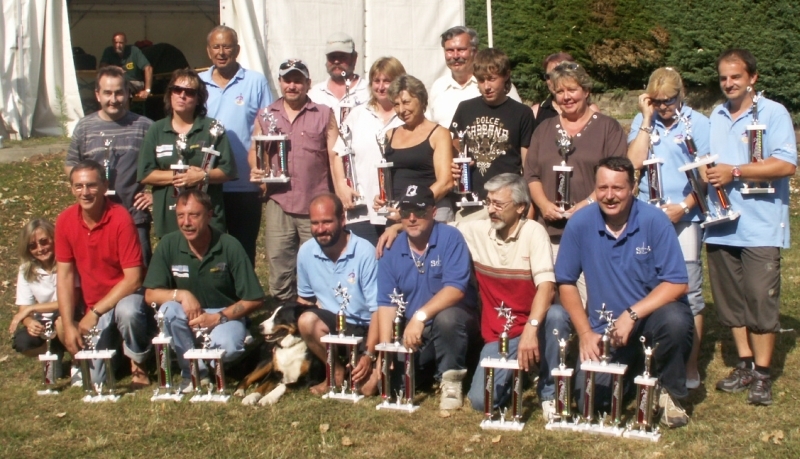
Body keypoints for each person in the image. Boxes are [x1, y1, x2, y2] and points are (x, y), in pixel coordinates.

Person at [555, 156, 693, 428]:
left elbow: (677, 283)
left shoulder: (655, 221)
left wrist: (631, 315)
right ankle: (637, 373)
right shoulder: (580, 223)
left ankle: (671, 393)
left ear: (633, 187)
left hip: (651, 320)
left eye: (617, 188)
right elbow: (566, 282)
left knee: (676, 321)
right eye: (602, 188)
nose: (609, 196)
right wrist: (585, 333)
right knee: (591, 401)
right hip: (605, 329)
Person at [704, 49, 797, 406]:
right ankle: (744, 364)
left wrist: (735, 171)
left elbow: (786, 164)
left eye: (736, 77)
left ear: (752, 78)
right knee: (731, 304)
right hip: (722, 224)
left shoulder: (773, 113)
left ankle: (762, 373)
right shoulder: (715, 115)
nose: (729, 83)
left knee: (760, 298)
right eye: (723, 78)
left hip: (760, 225)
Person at [454, 174, 567, 420]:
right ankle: (521, 372)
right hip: (500, 334)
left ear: (520, 207)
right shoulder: (476, 230)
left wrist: (531, 329)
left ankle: (549, 393)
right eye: (489, 202)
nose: (490, 210)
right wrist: (398, 226)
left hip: (534, 327)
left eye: (498, 204)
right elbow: (437, 230)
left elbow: (547, 288)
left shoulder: (534, 233)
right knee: (480, 401)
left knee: (557, 316)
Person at [627, 67, 711, 390]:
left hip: (685, 216)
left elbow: (706, 174)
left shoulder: (697, 123)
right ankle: (648, 359)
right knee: (647, 286)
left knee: (690, 290)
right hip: (648, 216)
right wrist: (646, 118)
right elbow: (634, 163)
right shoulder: (644, 121)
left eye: (669, 100)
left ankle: (690, 365)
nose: (664, 107)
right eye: (657, 101)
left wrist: (685, 207)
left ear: (681, 94)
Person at [524, 61, 626, 305]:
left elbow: (616, 174)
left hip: (593, 227)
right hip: (550, 231)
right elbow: (531, 174)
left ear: (586, 90)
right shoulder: (544, 129)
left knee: (592, 300)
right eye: (560, 92)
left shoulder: (607, 128)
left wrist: (587, 204)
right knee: (553, 304)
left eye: (572, 90)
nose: (566, 97)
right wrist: (543, 204)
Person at [143, 189, 265, 392]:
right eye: (180, 216)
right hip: (186, 317)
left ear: (209, 215)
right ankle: (194, 373)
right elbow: (150, 294)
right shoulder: (168, 244)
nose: (186, 222)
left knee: (228, 347)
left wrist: (217, 318)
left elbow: (255, 299)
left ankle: (214, 362)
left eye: (194, 215)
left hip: (224, 316)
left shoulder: (229, 245)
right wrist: (181, 295)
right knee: (168, 311)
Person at [377, 185, 480, 410]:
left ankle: (451, 380)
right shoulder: (391, 247)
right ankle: (431, 369)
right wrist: (385, 350)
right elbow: (387, 302)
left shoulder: (450, 237)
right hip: (416, 333)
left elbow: (455, 289)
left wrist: (419, 317)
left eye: (420, 211)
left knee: (448, 319)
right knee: (393, 385)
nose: (412, 218)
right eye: (406, 212)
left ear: (433, 212)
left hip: (456, 323)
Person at [248, 59, 340, 303]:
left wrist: (340, 192)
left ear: (308, 83)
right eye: (287, 80)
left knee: (318, 263)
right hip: (279, 202)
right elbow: (255, 150)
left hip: (315, 204)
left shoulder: (324, 114)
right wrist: (257, 169)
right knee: (279, 263)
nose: (292, 86)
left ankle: (317, 315)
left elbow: (335, 156)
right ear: (279, 82)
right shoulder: (266, 115)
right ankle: (283, 315)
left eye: (298, 81)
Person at [56, 160, 152, 388]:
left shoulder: (120, 218)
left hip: (124, 298)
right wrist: (68, 325)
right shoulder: (65, 221)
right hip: (93, 305)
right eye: (79, 186)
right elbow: (64, 278)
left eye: (91, 185)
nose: (85, 192)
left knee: (128, 311)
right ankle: (115, 357)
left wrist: (95, 312)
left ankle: (139, 365)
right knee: (96, 381)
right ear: (71, 189)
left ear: (104, 186)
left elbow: (133, 279)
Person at [66, 66, 154, 265]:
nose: (113, 99)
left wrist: (154, 195)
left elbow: (167, 165)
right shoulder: (85, 127)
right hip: (95, 219)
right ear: (97, 95)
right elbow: (71, 163)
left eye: (119, 93)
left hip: (133, 217)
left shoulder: (145, 127)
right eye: (107, 93)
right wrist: (84, 188)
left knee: (139, 273)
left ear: (127, 93)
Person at [200, 26, 273, 266]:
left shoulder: (255, 82)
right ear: (208, 51)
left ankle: (244, 288)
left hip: (245, 183)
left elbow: (268, 129)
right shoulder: (199, 84)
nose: (221, 52)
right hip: (207, 183)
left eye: (227, 47)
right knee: (210, 248)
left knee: (243, 249)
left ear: (237, 50)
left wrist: (265, 175)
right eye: (216, 47)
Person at [138, 68, 238, 239]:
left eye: (190, 92)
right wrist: (181, 176)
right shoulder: (156, 129)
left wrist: (203, 176)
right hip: (169, 218)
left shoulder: (212, 129)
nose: (182, 95)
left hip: (208, 219)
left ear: (199, 98)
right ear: (170, 94)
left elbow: (229, 170)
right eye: (177, 90)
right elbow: (145, 174)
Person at [296, 194, 380, 396]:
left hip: (366, 327)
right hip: (335, 325)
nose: (320, 229)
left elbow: (378, 310)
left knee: (366, 389)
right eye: (315, 223)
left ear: (342, 220)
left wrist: (369, 354)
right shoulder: (306, 252)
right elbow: (305, 301)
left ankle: (367, 363)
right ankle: (335, 372)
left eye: (327, 222)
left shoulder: (364, 252)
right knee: (306, 321)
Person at [450, 48, 535, 221]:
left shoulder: (522, 113)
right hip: (471, 203)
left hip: (507, 203)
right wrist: (455, 164)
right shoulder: (465, 109)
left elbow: (528, 165)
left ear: (506, 76)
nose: (486, 86)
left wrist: (529, 203)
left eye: (492, 79)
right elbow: (454, 146)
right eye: (481, 80)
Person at [332, 56, 406, 245]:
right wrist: (341, 186)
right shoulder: (357, 115)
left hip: (399, 211)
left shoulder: (408, 115)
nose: (381, 87)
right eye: (376, 81)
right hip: (362, 211)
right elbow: (338, 154)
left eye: (387, 81)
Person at [372, 74, 454, 223]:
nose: (401, 110)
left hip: (430, 212)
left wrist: (410, 207)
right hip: (398, 214)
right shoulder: (390, 135)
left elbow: (445, 182)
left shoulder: (439, 134)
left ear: (421, 100)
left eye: (406, 102)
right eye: (396, 104)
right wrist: (383, 197)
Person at [427, 26, 521, 129]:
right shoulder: (438, 87)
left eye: (461, 49)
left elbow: (518, 119)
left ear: (475, 51)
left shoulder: (495, 85)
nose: (455, 56)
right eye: (450, 50)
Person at [10, 219, 63, 358]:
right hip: (44, 322)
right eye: (32, 246)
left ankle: (77, 361)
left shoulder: (66, 262)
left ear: (54, 238)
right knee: (21, 342)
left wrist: (32, 308)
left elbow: (68, 302)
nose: (40, 249)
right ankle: (52, 352)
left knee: (63, 323)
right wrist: (29, 322)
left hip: (69, 315)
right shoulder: (26, 270)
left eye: (44, 242)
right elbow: (24, 309)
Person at [308, 32, 370, 125]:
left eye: (342, 57)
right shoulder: (315, 94)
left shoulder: (368, 92)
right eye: (332, 57)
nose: (336, 61)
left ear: (354, 58)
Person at [531, 52, 600, 125]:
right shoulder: (536, 112)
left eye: (559, 74)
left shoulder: (592, 111)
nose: (553, 80)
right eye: (548, 76)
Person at [99, 32, 153, 100]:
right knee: (100, 88)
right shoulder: (108, 51)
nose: (118, 45)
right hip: (114, 83)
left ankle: (124, 107)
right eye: (116, 42)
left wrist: (147, 90)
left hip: (134, 82)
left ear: (125, 42)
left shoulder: (134, 50)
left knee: (123, 87)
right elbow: (102, 67)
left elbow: (148, 68)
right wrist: (114, 69)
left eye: (121, 43)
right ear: (112, 42)